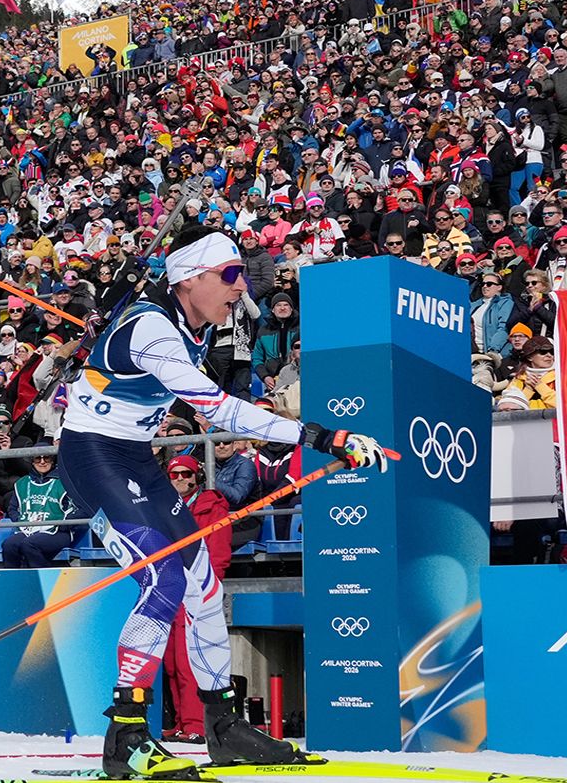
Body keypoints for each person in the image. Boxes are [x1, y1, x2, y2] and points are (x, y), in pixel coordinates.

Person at [58, 226, 388, 778]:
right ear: (191, 278)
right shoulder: (152, 328)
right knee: (163, 579)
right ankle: (126, 737)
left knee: (203, 585)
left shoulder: (195, 323)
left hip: (135, 457)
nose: (241, 287)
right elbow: (219, 409)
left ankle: (222, 726)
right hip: (92, 457)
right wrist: (322, 436)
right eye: (230, 275)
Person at [158, 454, 233, 744]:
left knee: (190, 661)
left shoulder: (211, 506)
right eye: (174, 474)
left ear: (196, 476)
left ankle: (196, 725)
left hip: (197, 592)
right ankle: (180, 722)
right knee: (171, 663)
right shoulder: (164, 508)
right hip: (170, 589)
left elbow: (219, 553)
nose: (180, 479)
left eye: (185, 474)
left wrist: (206, 589)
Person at [2, 448, 75, 569]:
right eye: (38, 458)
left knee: (29, 544)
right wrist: (20, 521)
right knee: (9, 545)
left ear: (52, 460)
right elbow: (12, 509)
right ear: (32, 461)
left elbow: (79, 508)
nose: (42, 462)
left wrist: (63, 525)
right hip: (28, 529)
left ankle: (43, 577)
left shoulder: (64, 481)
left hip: (57, 531)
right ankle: (13, 579)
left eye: (46, 458)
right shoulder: (22, 483)